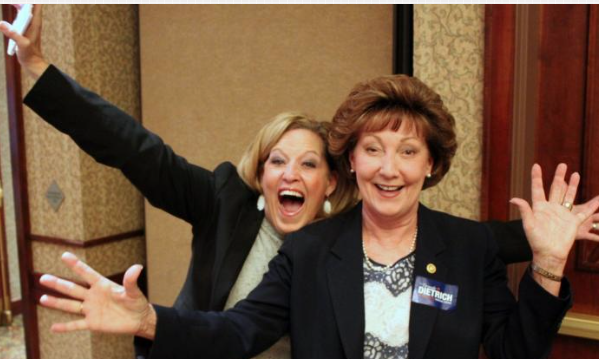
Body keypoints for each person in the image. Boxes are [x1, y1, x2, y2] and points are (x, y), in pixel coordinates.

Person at [3, 5, 599, 359]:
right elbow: (237, 330)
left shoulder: (462, 249)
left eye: (407, 151)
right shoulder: (299, 246)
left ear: (429, 165)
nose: (389, 167)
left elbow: (512, 337)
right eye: (373, 149)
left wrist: (547, 262)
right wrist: (150, 320)